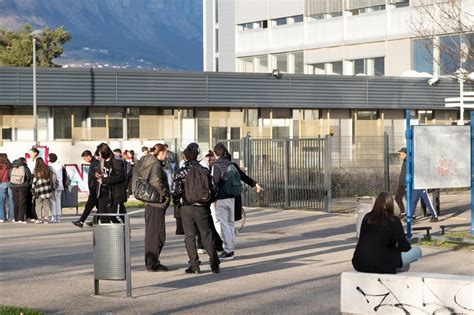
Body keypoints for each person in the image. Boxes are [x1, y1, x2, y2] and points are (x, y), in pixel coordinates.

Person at [172, 146, 220, 274]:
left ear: (185, 157)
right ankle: (214, 263)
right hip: (202, 207)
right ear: (197, 156)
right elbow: (214, 190)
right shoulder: (204, 170)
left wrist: (179, 201)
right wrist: (206, 202)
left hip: (186, 207)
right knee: (206, 235)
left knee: (190, 236)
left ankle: (194, 265)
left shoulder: (181, 172)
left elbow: (175, 192)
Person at [352, 192, 422, 274]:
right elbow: (404, 246)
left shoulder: (367, 217)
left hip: (359, 263)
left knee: (397, 259)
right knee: (417, 251)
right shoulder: (393, 220)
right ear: (390, 204)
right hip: (382, 264)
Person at [138, 143, 171, 272]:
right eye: (166, 153)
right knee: (157, 234)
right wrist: (165, 193)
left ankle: (152, 261)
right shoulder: (156, 164)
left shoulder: (147, 161)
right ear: (161, 152)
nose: (167, 155)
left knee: (152, 233)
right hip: (156, 202)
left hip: (150, 202)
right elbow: (156, 182)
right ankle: (152, 263)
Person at [211, 143, 237, 260]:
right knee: (230, 224)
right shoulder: (230, 163)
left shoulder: (217, 165)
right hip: (231, 197)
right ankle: (231, 248)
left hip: (220, 199)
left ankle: (228, 250)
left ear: (215, 153)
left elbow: (215, 182)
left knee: (222, 224)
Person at [223, 150, 263, 222]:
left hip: (224, 196)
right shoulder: (233, 166)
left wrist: (254, 183)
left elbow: (243, 176)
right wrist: (255, 183)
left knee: (225, 220)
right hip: (233, 195)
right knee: (230, 220)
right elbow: (243, 176)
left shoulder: (219, 165)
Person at [95, 143, 127, 224]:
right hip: (103, 193)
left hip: (114, 194)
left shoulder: (117, 161)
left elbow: (120, 177)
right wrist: (98, 175)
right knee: (103, 218)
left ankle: (123, 233)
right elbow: (101, 172)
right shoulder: (102, 161)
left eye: (100, 154)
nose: (99, 156)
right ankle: (107, 236)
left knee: (114, 217)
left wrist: (105, 180)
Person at [72, 150, 101, 228]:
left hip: (95, 189)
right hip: (95, 189)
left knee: (89, 206)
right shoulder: (94, 163)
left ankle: (81, 221)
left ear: (89, 156)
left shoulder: (95, 163)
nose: (85, 160)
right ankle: (95, 221)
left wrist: (92, 189)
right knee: (100, 207)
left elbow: (95, 177)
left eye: (85, 158)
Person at [10, 157, 32, 224]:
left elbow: (9, 176)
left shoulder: (12, 168)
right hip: (23, 186)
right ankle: (21, 219)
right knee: (22, 203)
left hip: (13, 186)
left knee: (16, 202)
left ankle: (16, 219)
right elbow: (29, 177)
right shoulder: (25, 167)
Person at [32, 157, 54, 224]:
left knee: (38, 204)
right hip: (47, 189)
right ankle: (46, 218)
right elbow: (51, 178)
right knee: (46, 204)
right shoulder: (48, 169)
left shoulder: (36, 170)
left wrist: (33, 188)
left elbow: (34, 180)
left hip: (39, 189)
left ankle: (39, 218)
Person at [48, 153, 64, 223]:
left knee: (52, 201)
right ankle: (58, 217)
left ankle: (53, 217)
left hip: (54, 186)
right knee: (58, 201)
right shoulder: (60, 165)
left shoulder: (51, 167)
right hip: (60, 185)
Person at [26, 147, 40, 221]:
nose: (29, 154)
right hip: (30, 181)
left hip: (35, 181)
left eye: (31, 153)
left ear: (35, 153)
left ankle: (35, 216)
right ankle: (29, 215)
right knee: (29, 198)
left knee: (35, 199)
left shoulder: (38, 161)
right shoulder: (29, 161)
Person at [0, 154, 14, 223]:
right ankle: (12, 217)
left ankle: (2, 218)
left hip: (2, 183)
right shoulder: (10, 165)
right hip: (10, 183)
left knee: (1, 201)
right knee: (11, 201)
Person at [394, 147, 407, 217]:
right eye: (400, 154)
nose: (400, 156)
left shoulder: (409, 161)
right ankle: (403, 212)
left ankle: (412, 214)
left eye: (402, 154)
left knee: (408, 198)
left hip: (406, 183)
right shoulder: (404, 161)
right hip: (401, 183)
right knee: (397, 197)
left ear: (406, 154)